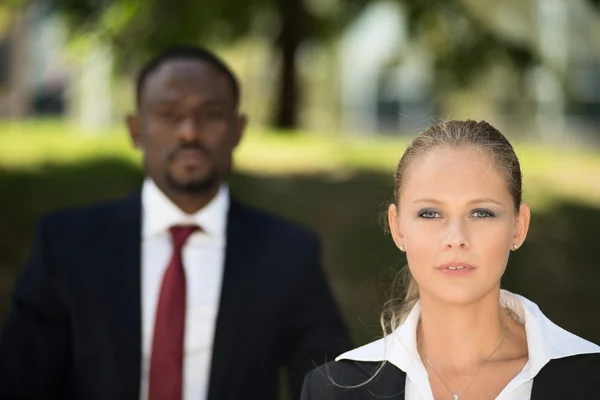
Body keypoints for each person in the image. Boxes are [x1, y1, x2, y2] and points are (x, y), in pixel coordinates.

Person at [0, 45, 351, 400]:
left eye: (210, 114)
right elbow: (19, 382)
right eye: (168, 114)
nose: (189, 132)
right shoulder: (66, 244)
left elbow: (330, 385)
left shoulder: (288, 254)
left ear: (238, 129)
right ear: (136, 129)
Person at [301, 120, 600, 400]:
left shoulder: (591, 379)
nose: (455, 237)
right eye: (430, 213)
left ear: (519, 226)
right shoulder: (333, 389)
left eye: (481, 212)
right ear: (397, 227)